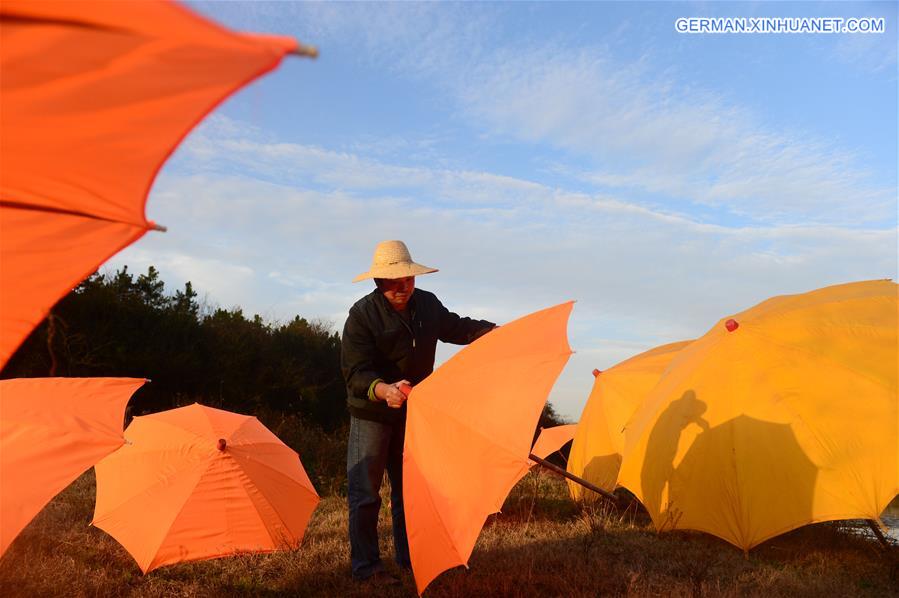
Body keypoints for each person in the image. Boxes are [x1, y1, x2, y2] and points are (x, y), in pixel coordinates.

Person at [341, 240, 496, 585]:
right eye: (395, 281)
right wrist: (385, 391)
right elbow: (356, 374)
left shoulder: (427, 304)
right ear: (379, 282)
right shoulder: (361, 316)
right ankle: (366, 569)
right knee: (365, 493)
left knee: (408, 491)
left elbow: (457, 327)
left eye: (408, 279)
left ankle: (411, 558)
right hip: (372, 413)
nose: (404, 287)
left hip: (414, 413)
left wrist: (494, 333)